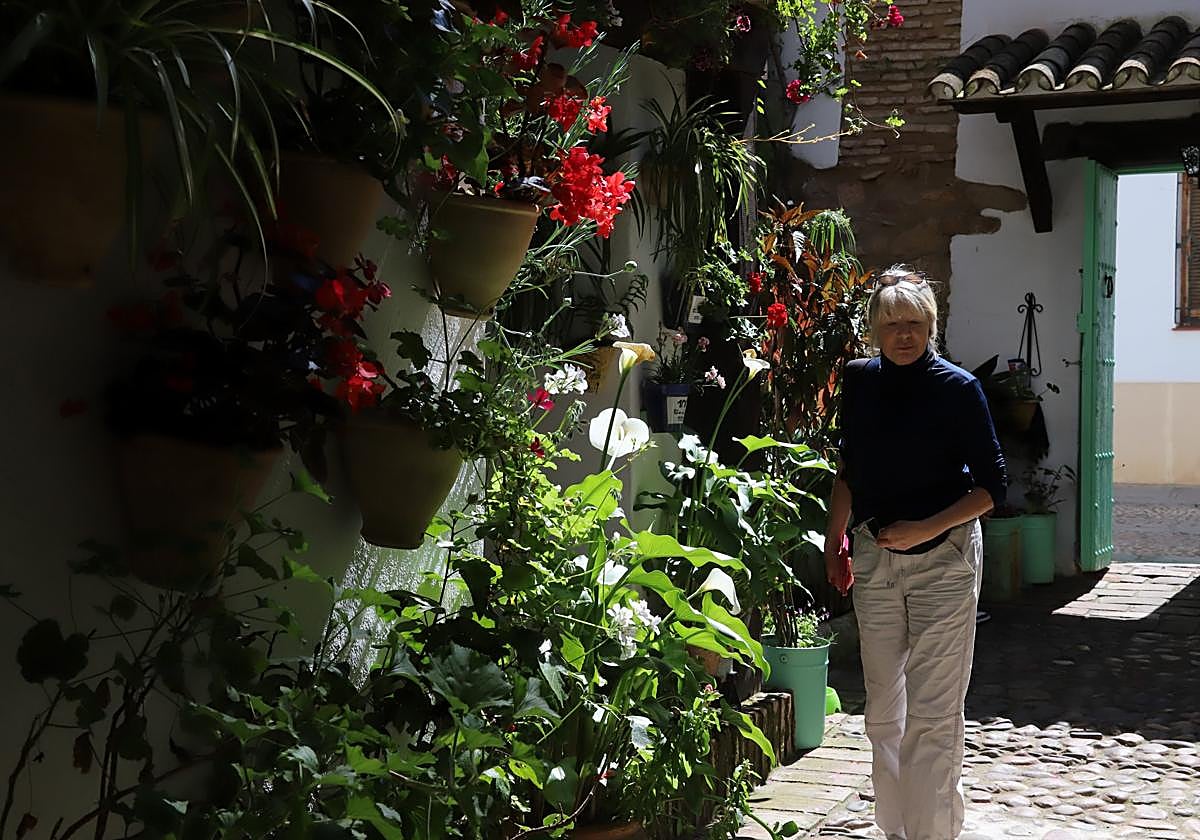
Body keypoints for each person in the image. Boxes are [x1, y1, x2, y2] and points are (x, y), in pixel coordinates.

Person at [823, 266, 1007, 840]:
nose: (905, 334)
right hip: (877, 561)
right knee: (882, 714)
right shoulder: (859, 381)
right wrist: (836, 543)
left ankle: (933, 834)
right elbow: (849, 468)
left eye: (917, 323)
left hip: (945, 561)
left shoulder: (958, 390)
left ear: (932, 326)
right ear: (875, 328)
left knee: (932, 716)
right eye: (893, 323)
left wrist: (924, 526)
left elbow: (992, 490)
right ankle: (894, 831)